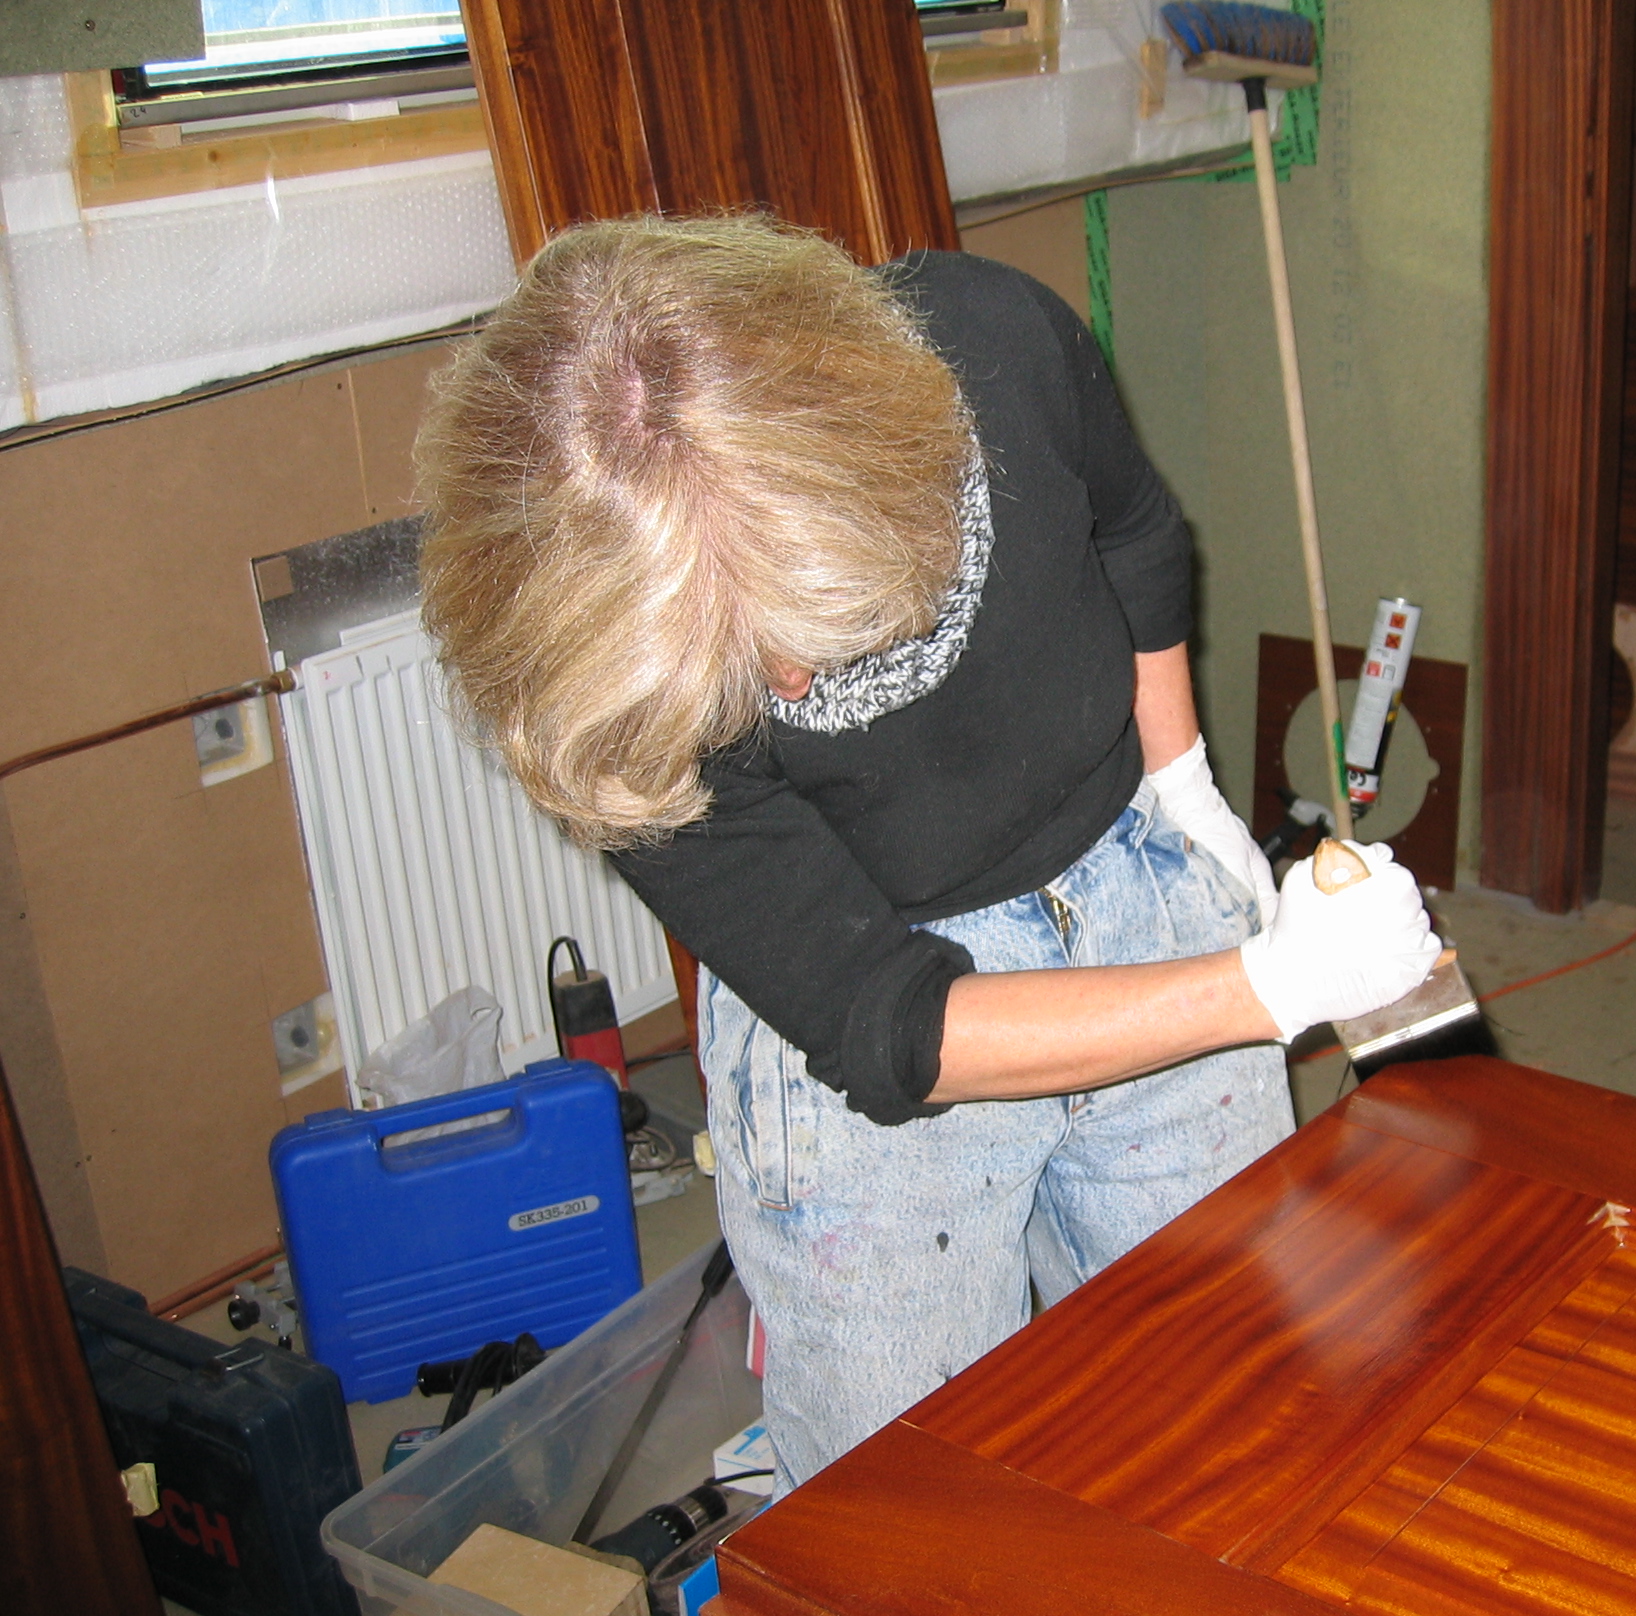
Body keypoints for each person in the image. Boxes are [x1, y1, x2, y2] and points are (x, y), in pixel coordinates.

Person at [416, 214, 1440, 1494]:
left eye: (794, 630)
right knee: (912, 1514)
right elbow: (889, 1024)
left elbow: (1133, 532)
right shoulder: (609, 690)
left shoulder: (990, 347)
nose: (789, 687)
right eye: (739, 662)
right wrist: (1273, 988)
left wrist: (1185, 796)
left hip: (1129, 868)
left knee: (1231, 1419)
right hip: (869, 1023)